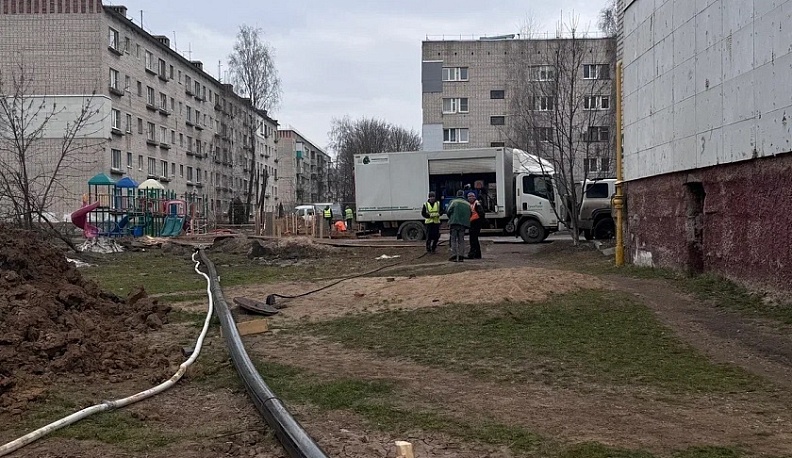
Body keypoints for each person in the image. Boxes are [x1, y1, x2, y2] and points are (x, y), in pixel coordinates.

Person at [445, 190, 471, 262]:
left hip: (454, 223)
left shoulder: (453, 202)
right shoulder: (467, 203)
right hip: (463, 224)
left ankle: (454, 255)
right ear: (463, 195)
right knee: (461, 240)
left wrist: (451, 217)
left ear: (457, 194)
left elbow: (448, 211)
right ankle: (461, 256)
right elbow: (470, 213)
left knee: (453, 240)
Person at [467, 192, 485, 259]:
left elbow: (481, 214)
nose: (471, 198)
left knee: (473, 239)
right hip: (472, 223)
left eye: (472, 196)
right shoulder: (470, 204)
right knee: (474, 239)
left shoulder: (477, 204)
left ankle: (472, 254)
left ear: (474, 197)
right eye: (469, 197)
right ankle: (477, 254)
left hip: (476, 223)